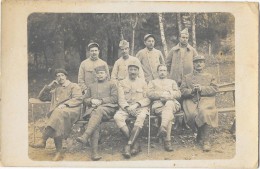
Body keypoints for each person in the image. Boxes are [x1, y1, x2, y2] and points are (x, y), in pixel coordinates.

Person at [30, 69, 82, 161]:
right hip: (59, 114)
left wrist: (65, 104)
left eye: (62, 75)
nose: (60, 77)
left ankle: (43, 139)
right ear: (56, 78)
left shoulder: (73, 86)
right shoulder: (56, 89)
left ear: (66, 76)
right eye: (58, 76)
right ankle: (59, 152)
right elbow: (41, 97)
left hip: (72, 110)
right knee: (57, 119)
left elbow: (78, 99)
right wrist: (49, 86)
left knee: (57, 113)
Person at [76, 65, 118, 161]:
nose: (99, 75)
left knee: (97, 112)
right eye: (98, 73)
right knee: (95, 122)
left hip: (108, 109)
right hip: (94, 111)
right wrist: (91, 101)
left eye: (101, 73)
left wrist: (101, 101)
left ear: (106, 74)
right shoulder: (91, 86)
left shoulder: (112, 84)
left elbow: (115, 98)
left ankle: (85, 135)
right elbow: (84, 99)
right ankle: (94, 153)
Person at [180, 55, 218, 151]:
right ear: (193, 64)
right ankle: (199, 134)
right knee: (192, 114)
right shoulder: (187, 77)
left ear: (204, 64)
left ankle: (206, 140)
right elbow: (182, 91)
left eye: (201, 62)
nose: (199, 64)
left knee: (204, 112)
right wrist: (192, 90)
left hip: (206, 99)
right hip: (190, 100)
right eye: (196, 62)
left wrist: (202, 88)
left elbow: (214, 89)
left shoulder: (210, 76)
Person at [114, 60, 150, 159]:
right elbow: (120, 99)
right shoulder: (122, 83)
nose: (133, 72)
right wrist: (127, 108)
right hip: (126, 108)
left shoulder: (143, 82)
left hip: (140, 107)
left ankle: (128, 145)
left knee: (142, 116)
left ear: (138, 71)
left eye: (135, 70)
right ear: (128, 71)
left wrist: (137, 104)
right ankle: (135, 143)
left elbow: (147, 98)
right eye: (131, 70)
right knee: (117, 117)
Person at [166, 28, 198, 130]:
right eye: (183, 37)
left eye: (186, 37)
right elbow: (167, 63)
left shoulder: (192, 50)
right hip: (175, 79)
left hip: (187, 80)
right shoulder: (173, 50)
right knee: (176, 100)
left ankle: (186, 121)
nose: (185, 39)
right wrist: (173, 73)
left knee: (186, 99)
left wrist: (193, 75)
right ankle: (176, 122)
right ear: (179, 38)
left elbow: (197, 63)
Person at [147, 64, 181, 152]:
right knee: (168, 114)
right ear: (157, 72)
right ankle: (167, 141)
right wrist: (161, 94)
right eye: (160, 70)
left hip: (172, 103)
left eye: (164, 70)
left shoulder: (172, 82)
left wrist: (170, 95)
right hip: (158, 105)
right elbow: (149, 94)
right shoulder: (152, 82)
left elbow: (178, 93)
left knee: (169, 104)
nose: (162, 72)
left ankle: (162, 128)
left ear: (167, 72)